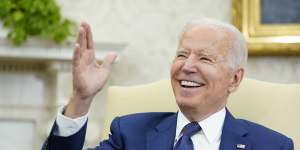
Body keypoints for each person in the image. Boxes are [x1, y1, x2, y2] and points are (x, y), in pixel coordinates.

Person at [42, 19, 294, 150]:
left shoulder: (272, 146)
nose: (187, 66)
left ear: (235, 79)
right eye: (182, 55)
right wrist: (81, 99)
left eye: (204, 58)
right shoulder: (130, 134)